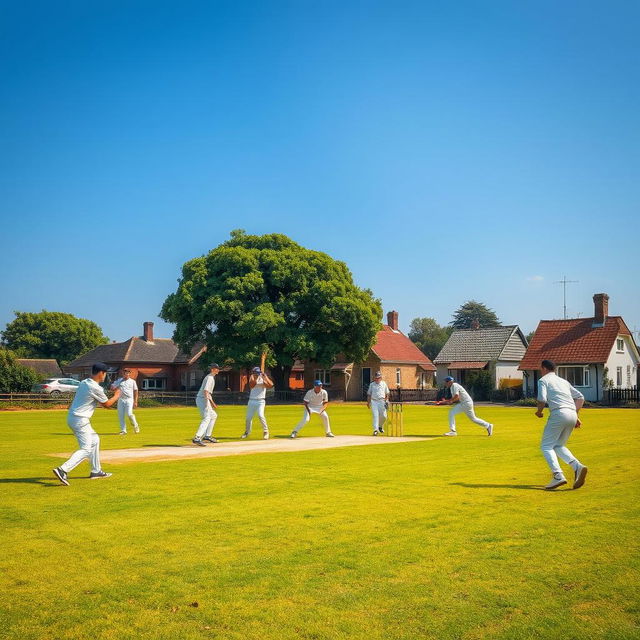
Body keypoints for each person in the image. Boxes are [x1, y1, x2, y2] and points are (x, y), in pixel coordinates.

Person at [52, 362, 120, 486]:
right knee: (86, 449)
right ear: (101, 373)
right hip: (80, 420)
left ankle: (96, 471)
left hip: (74, 417)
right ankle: (63, 470)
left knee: (95, 440)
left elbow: (96, 397)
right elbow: (107, 405)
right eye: (105, 373)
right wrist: (117, 395)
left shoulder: (84, 382)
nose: (105, 376)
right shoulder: (95, 387)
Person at [536, 359, 588, 490]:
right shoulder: (563, 381)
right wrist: (576, 415)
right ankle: (577, 466)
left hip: (559, 413)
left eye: (540, 369)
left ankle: (558, 475)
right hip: (571, 413)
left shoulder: (543, 380)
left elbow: (541, 399)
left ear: (544, 368)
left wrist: (539, 411)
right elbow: (580, 397)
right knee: (558, 445)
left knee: (546, 446)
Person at [241, 366, 274, 440]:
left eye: (257, 373)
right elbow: (252, 385)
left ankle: (266, 432)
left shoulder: (263, 377)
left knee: (261, 415)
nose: (256, 374)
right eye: (255, 373)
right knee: (248, 418)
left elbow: (271, 385)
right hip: (252, 400)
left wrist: (265, 377)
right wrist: (256, 378)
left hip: (261, 401)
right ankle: (247, 432)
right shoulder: (252, 377)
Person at [192, 363, 220, 446]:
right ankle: (197, 437)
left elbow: (208, 393)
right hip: (203, 399)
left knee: (214, 415)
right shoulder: (209, 378)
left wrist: (212, 403)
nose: (218, 370)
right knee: (207, 418)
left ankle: (207, 436)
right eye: (216, 368)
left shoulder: (211, 377)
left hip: (204, 398)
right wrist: (209, 403)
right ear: (212, 369)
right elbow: (206, 391)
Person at [110, 368, 139, 435]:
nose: (126, 374)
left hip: (129, 399)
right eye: (125, 373)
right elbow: (112, 388)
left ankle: (135, 425)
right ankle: (123, 430)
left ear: (129, 374)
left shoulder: (132, 381)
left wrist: (135, 401)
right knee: (121, 415)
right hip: (121, 399)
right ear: (123, 373)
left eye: (128, 373)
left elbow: (136, 391)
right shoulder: (119, 380)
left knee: (129, 414)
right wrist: (113, 386)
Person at [367, 371, 389, 436]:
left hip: (382, 401)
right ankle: (375, 430)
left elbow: (387, 393)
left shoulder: (384, 384)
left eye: (378, 378)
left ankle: (380, 426)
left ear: (381, 378)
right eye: (376, 378)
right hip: (374, 401)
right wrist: (368, 402)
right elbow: (369, 394)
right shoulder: (372, 384)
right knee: (375, 415)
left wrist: (387, 400)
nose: (377, 379)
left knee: (384, 416)